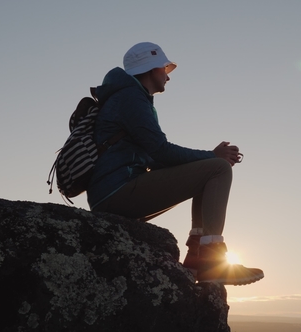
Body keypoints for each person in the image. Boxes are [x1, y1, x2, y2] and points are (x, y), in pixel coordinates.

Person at [87, 42, 263, 286]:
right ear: (151, 70)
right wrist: (213, 156)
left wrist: (206, 161)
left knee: (208, 171)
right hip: (116, 192)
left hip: (112, 191)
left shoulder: (130, 97)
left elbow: (155, 159)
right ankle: (212, 260)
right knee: (218, 169)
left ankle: (196, 258)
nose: (168, 77)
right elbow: (162, 152)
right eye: (164, 69)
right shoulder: (131, 98)